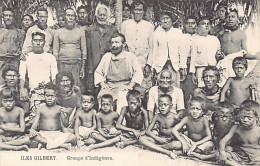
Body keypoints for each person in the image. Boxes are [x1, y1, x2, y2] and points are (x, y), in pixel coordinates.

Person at [94, 32, 143, 113]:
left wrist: (130, 85)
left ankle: (120, 122)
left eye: (117, 42)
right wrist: (103, 85)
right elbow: (98, 72)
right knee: (103, 97)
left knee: (122, 99)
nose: (114, 45)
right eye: (112, 42)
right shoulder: (107, 56)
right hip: (109, 86)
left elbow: (138, 72)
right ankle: (106, 122)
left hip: (124, 86)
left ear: (123, 44)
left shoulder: (130, 56)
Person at [19, 32, 58, 122]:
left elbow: (54, 75)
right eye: (35, 40)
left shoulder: (50, 57)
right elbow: (22, 75)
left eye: (40, 40)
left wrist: (53, 89)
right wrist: (22, 89)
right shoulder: (26, 57)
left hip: (47, 91)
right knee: (34, 117)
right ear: (31, 42)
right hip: (33, 91)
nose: (38, 43)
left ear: (44, 42)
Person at [29, 84, 76, 150]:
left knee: (73, 137)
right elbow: (35, 125)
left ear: (56, 97)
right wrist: (32, 130)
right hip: (43, 133)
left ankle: (46, 144)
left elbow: (65, 124)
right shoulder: (40, 108)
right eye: (47, 96)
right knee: (34, 137)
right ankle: (61, 145)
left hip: (57, 134)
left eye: (52, 96)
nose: (50, 98)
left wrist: (64, 113)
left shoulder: (59, 108)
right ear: (44, 96)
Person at [85, 4, 117, 94]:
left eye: (104, 15)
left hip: (108, 66)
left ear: (107, 16)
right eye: (100, 15)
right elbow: (87, 50)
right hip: (93, 65)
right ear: (96, 15)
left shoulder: (112, 30)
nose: (102, 17)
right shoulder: (90, 30)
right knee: (92, 91)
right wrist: (89, 67)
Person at [219, 100, 260, 165]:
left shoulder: (258, 131)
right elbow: (223, 141)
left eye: (249, 118)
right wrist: (222, 152)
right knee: (220, 155)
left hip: (255, 159)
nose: (245, 120)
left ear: (256, 117)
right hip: (239, 156)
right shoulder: (236, 127)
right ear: (239, 114)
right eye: (243, 117)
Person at [150, 11, 185, 88]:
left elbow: (182, 50)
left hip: (174, 65)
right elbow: (154, 50)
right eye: (163, 19)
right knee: (160, 86)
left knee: (174, 86)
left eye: (167, 18)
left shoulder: (178, 32)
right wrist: (153, 66)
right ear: (160, 21)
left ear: (171, 20)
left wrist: (182, 65)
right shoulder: (157, 33)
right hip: (160, 65)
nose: (165, 21)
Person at [53, 8, 87, 87]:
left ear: (75, 18)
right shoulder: (58, 32)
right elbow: (55, 52)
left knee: (75, 87)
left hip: (76, 64)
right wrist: (56, 68)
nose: (70, 18)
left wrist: (83, 68)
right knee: (63, 86)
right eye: (68, 15)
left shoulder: (80, 31)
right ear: (64, 17)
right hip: (62, 64)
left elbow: (84, 50)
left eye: (72, 16)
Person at [139, 94, 180, 158]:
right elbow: (148, 131)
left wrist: (172, 138)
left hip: (170, 140)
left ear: (171, 106)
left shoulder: (175, 117)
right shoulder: (157, 116)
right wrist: (158, 139)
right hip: (159, 138)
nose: (162, 107)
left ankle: (157, 148)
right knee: (141, 139)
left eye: (165, 105)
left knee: (178, 144)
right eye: (160, 105)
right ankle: (167, 152)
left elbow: (181, 131)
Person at [121, 0, 154, 70]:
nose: (138, 12)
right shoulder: (125, 25)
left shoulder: (149, 26)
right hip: (127, 63)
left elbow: (151, 47)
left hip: (143, 64)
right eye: (136, 10)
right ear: (132, 11)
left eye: (140, 10)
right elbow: (121, 44)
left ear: (143, 11)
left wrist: (148, 64)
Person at [190, 16, 221, 87]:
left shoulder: (214, 39)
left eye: (208, 23)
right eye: (203, 24)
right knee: (202, 87)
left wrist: (219, 56)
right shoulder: (195, 40)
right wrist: (193, 73)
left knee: (213, 86)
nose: (206, 25)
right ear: (198, 27)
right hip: (200, 67)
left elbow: (218, 53)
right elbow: (193, 56)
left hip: (213, 67)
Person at [0, 8, 24, 84]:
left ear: (14, 18)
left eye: (10, 16)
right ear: (3, 17)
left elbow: (23, 48)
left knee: (14, 84)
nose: (8, 17)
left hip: (14, 61)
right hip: (1, 61)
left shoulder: (20, 32)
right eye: (6, 15)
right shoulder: (0, 31)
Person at [181, 16, 198, 107]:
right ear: (184, 25)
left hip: (196, 65)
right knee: (186, 89)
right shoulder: (181, 37)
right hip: (184, 66)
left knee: (195, 89)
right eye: (188, 23)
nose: (190, 25)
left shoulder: (199, 37)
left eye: (193, 23)